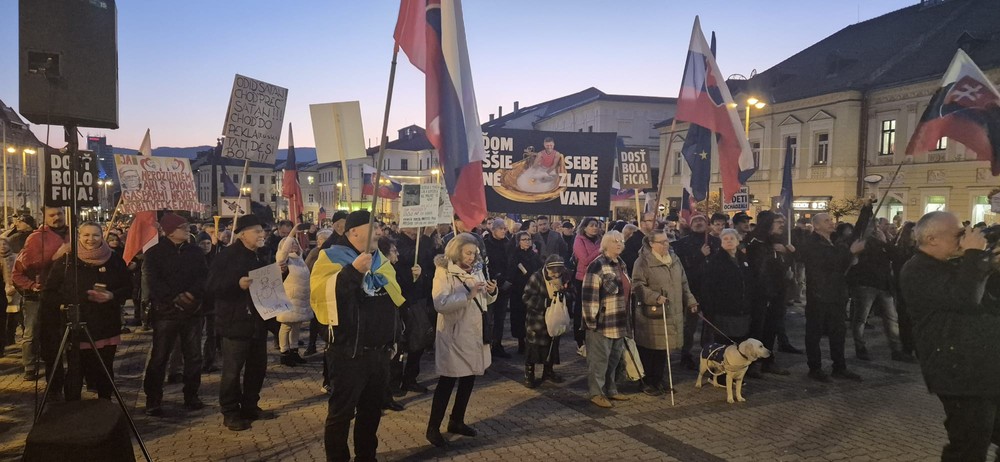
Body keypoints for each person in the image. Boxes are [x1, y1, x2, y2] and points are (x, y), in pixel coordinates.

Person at [901, 211, 1000, 461]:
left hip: (982, 368)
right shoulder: (917, 270)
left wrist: (991, 265)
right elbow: (966, 298)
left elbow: (987, 299)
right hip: (958, 373)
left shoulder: (949, 264)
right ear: (932, 238)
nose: (964, 238)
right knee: (969, 447)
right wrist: (975, 255)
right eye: (958, 233)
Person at [309, 210, 403, 460]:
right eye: (374, 227)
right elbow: (324, 296)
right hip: (349, 352)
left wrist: (394, 338)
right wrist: (351, 271)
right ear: (354, 232)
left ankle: (366, 456)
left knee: (371, 412)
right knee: (341, 414)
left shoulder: (378, 257)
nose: (380, 232)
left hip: (379, 352)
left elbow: (392, 297)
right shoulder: (329, 257)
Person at [41, 222, 130, 400]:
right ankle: (73, 410)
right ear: (79, 237)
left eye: (95, 235)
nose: (91, 239)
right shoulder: (67, 260)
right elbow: (50, 292)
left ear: (102, 236)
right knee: (76, 370)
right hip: (78, 324)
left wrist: (111, 295)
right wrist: (74, 300)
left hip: (106, 323)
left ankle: (105, 405)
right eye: (86, 235)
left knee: (105, 368)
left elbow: (128, 286)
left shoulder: (114, 259)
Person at [206, 214, 278, 431]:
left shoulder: (261, 255)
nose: (261, 234)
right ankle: (230, 412)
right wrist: (236, 284)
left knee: (257, 368)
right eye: (257, 231)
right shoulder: (227, 256)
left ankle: (250, 406)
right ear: (242, 234)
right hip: (235, 321)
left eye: (262, 231)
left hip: (257, 322)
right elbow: (211, 286)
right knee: (232, 371)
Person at [425, 233, 497, 447]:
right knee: (447, 381)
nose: (472, 257)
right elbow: (440, 303)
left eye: (474, 253)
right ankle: (433, 427)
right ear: (456, 252)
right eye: (468, 253)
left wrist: (492, 293)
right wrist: (468, 295)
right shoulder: (444, 271)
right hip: (454, 334)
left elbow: (484, 300)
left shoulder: (477, 270)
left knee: (469, 379)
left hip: (475, 334)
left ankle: (457, 420)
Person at [142, 213, 209, 415]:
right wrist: (174, 299)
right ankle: (153, 399)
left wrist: (191, 295)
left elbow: (204, 276)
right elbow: (153, 281)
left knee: (194, 356)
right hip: (166, 312)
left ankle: (191, 395)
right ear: (170, 231)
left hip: (192, 312)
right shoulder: (154, 253)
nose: (188, 230)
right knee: (160, 356)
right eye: (183, 227)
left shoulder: (195, 252)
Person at [798, 212, 865, 383]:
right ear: (817, 225)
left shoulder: (835, 241)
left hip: (837, 294)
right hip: (819, 295)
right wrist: (851, 253)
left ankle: (839, 366)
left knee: (838, 332)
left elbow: (856, 235)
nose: (831, 223)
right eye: (826, 221)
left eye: (831, 220)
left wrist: (865, 210)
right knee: (814, 333)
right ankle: (815, 368)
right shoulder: (812, 243)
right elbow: (830, 264)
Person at [631, 229, 697, 396]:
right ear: (652, 244)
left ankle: (659, 378)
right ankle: (646, 381)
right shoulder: (642, 261)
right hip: (652, 313)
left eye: (667, 241)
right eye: (662, 242)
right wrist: (654, 297)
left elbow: (683, 282)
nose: (666, 244)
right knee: (650, 348)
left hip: (672, 310)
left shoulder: (674, 259)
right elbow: (637, 285)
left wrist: (690, 300)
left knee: (663, 348)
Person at [12, 206, 70, 382]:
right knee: (38, 334)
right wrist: (31, 285)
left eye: (59, 214)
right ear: (44, 217)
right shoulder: (36, 238)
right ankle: (40, 372)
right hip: (42, 297)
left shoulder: (74, 234)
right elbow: (20, 270)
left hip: (68, 295)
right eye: (51, 215)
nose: (56, 218)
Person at [847, 215, 914, 363]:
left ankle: (896, 350)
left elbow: (895, 254)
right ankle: (860, 347)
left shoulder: (881, 241)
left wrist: (885, 241)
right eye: (873, 226)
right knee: (861, 319)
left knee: (891, 319)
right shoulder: (859, 242)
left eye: (877, 226)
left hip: (884, 285)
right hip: (866, 284)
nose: (876, 229)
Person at [581, 230, 632, 408]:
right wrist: (591, 322)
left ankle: (611, 390)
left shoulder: (622, 264)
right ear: (605, 244)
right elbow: (589, 295)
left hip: (619, 320)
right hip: (602, 322)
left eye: (621, 241)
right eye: (615, 241)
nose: (619, 244)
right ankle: (596, 392)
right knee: (599, 360)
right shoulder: (598, 265)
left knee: (614, 358)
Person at [743, 211, 793, 377]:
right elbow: (758, 269)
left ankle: (768, 360)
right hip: (761, 293)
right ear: (768, 223)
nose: (781, 225)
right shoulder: (755, 242)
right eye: (778, 222)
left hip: (777, 292)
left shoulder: (778, 243)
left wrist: (787, 254)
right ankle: (752, 364)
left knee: (772, 327)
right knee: (757, 329)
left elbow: (783, 268)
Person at [671, 214, 720, 369]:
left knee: (710, 325)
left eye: (702, 220)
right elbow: (682, 266)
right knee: (690, 325)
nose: (699, 223)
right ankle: (686, 355)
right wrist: (700, 255)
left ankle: (708, 353)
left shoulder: (716, 242)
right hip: (693, 290)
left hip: (711, 290)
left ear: (708, 224)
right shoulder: (682, 244)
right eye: (695, 221)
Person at [522, 254, 573, 388]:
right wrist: (546, 302)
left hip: (556, 317)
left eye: (558, 273)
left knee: (552, 344)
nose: (555, 276)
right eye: (552, 273)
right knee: (533, 346)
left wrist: (563, 293)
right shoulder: (536, 277)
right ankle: (529, 373)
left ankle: (548, 371)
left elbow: (573, 294)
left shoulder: (566, 277)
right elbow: (526, 297)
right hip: (537, 318)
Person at [700, 229, 753, 345]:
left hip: (743, 309)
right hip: (724, 311)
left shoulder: (744, 259)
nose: (729, 241)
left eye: (732, 238)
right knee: (726, 343)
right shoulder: (716, 261)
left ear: (738, 241)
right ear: (721, 242)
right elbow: (709, 286)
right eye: (725, 239)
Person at [275, 234, 312, 366]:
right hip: (289, 297)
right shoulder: (285, 260)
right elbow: (281, 255)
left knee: (297, 325)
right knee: (286, 326)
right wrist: (291, 235)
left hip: (301, 299)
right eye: (291, 244)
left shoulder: (300, 259)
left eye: (295, 243)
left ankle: (294, 351)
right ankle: (284, 353)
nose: (294, 246)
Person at [507, 230, 543, 356]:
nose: (527, 242)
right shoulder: (515, 255)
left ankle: (532, 340)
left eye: (529, 239)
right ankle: (521, 342)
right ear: (518, 242)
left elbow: (540, 268)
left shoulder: (534, 255)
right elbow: (511, 272)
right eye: (524, 239)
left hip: (533, 289)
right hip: (519, 290)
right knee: (519, 316)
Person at [571, 218, 603, 355]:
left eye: (596, 225)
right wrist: (600, 251)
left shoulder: (600, 239)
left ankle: (593, 340)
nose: (594, 228)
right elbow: (584, 260)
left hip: (599, 278)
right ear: (584, 228)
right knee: (580, 310)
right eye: (591, 225)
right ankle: (580, 341)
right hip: (583, 278)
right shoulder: (579, 240)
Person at [483, 218, 512, 358]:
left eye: (505, 228)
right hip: (490, 284)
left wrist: (507, 280)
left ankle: (498, 344)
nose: (504, 231)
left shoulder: (508, 243)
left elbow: (512, 262)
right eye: (501, 228)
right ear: (493, 230)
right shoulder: (485, 244)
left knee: (500, 318)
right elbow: (485, 263)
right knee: (489, 317)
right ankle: (487, 345)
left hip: (504, 286)